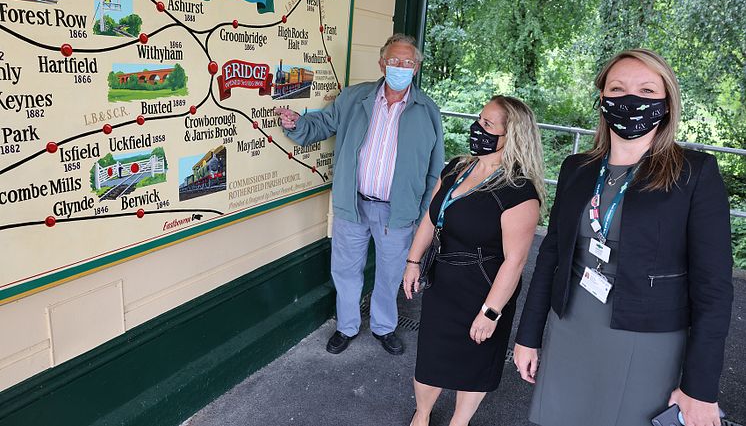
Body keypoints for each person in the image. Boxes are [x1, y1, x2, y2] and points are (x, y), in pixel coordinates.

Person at [514, 49, 734, 426]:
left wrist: (700, 388)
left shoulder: (694, 173)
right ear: (602, 100)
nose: (631, 100)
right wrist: (527, 335)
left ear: (666, 104)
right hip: (571, 326)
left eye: (647, 91)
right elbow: (551, 256)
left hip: (646, 338)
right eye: (617, 88)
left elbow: (713, 287)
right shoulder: (577, 169)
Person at [275, 33, 444, 356]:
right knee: (346, 269)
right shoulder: (355, 98)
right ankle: (347, 326)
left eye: (408, 62)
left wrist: (423, 213)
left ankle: (384, 327)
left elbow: (434, 171)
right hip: (353, 204)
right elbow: (321, 125)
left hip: (399, 211)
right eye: (394, 61)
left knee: (390, 273)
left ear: (416, 68)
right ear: (382, 63)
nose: (400, 67)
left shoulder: (427, 111)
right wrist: (296, 124)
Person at [403, 96, 545, 426]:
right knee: (431, 357)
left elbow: (516, 261)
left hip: (484, 289)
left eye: (487, 124)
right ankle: (422, 413)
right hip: (444, 281)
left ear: (513, 136)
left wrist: (491, 312)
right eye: (479, 119)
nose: (476, 128)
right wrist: (413, 261)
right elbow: (431, 215)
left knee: (475, 359)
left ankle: (459, 421)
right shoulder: (456, 168)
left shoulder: (518, 191)